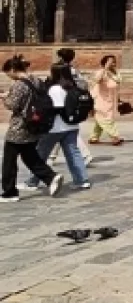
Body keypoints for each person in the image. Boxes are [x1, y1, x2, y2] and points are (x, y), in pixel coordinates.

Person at [2, 55, 63, 203]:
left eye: (7, 73)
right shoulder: (35, 80)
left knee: (9, 161)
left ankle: (10, 192)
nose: (8, 76)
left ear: (12, 69)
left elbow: (13, 105)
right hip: (34, 125)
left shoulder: (19, 85)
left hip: (19, 127)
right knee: (30, 156)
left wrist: (4, 98)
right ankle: (50, 177)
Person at [36, 62, 91, 190]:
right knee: (73, 153)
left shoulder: (56, 89)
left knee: (40, 155)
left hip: (56, 127)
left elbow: (57, 108)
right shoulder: (74, 86)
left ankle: (32, 182)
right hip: (72, 126)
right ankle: (82, 180)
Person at [45, 49, 93, 165]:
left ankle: (85, 154)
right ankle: (51, 156)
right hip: (72, 100)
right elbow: (84, 85)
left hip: (64, 100)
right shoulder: (75, 71)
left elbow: (51, 82)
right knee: (62, 128)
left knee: (64, 128)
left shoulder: (61, 69)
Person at [89, 55, 123, 145]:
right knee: (106, 119)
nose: (113, 63)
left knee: (101, 119)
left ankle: (94, 137)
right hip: (100, 99)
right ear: (105, 63)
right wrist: (105, 69)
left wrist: (119, 99)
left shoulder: (115, 73)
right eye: (111, 62)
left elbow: (117, 84)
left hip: (111, 100)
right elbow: (97, 80)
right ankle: (115, 136)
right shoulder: (101, 72)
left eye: (114, 61)